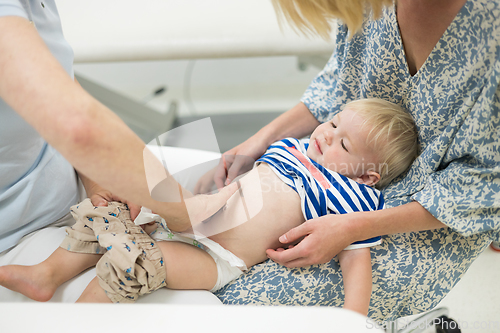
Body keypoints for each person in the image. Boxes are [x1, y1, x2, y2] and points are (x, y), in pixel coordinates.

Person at [210, 0, 500, 323]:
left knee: (229, 302)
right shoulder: (367, 6)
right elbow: (338, 83)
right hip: (339, 174)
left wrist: (354, 227)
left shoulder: (491, 29)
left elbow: (483, 186)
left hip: (438, 217)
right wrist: (260, 141)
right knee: (207, 275)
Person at [0, 98, 419, 316]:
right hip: (185, 216)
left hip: (213, 255)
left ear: (367, 175)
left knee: (137, 260)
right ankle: (46, 274)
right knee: (110, 212)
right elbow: (238, 179)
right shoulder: (292, 148)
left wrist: (351, 319)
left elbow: (356, 261)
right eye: (332, 123)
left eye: (344, 144)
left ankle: (79, 319)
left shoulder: (353, 197)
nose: (326, 136)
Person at [0, 1, 235, 257]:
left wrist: (96, 177)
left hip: (71, 181)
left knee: (232, 177)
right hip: (19, 233)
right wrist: (183, 211)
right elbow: (77, 125)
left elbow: (57, 82)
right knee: (200, 287)